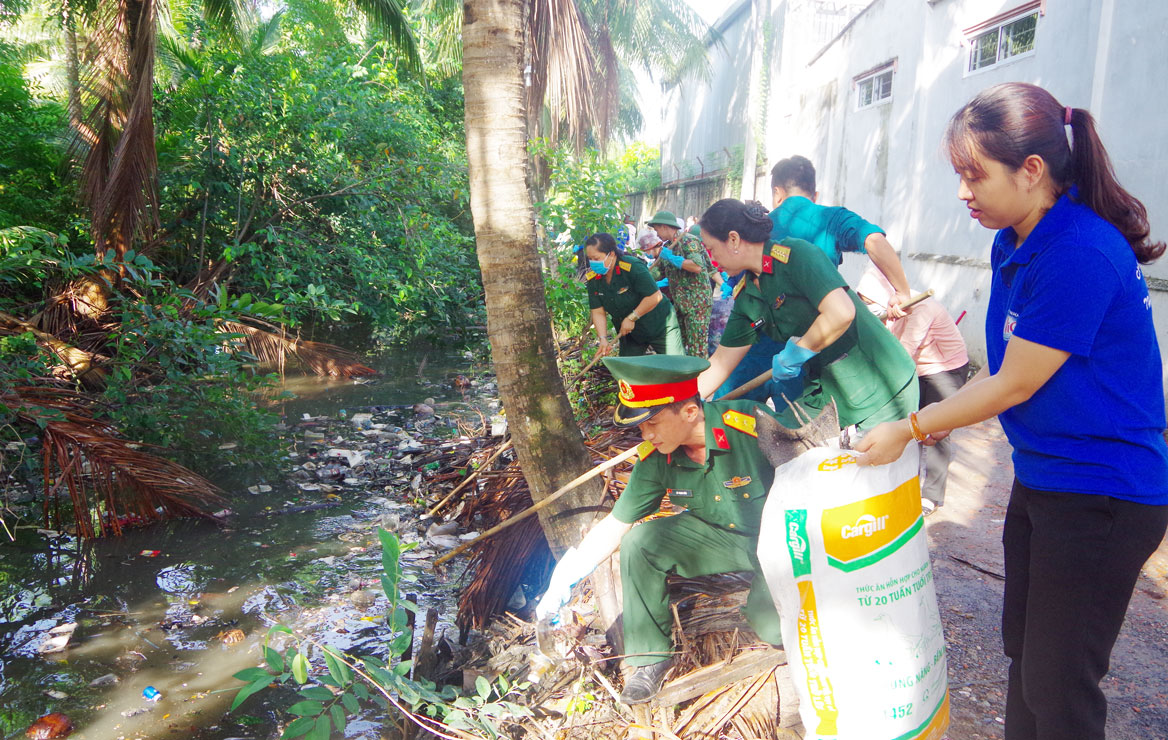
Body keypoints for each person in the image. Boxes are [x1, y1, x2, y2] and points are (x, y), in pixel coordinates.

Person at [855, 82, 1168, 740]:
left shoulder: (1077, 251)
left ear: (1032, 171)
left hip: (1103, 494)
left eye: (975, 175)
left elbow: (1012, 385)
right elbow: (1002, 372)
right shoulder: (1015, 238)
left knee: (1061, 688)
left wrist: (909, 430)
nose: (964, 192)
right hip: (1046, 479)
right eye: (959, 175)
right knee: (1027, 663)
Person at [535, 354, 784, 704]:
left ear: (689, 412)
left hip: (784, 541)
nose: (646, 435)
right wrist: (567, 575)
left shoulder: (748, 425)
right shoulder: (657, 457)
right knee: (640, 541)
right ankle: (649, 660)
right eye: (640, 427)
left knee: (773, 628)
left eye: (652, 422)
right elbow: (616, 525)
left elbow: (812, 467)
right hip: (720, 539)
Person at [695, 198, 918, 430]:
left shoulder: (796, 256)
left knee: (870, 462)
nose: (712, 260)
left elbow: (841, 312)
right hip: (832, 391)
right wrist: (682, 400)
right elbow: (721, 362)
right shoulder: (748, 294)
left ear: (733, 239)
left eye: (711, 249)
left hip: (880, 387)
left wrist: (798, 351)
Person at [715, 155, 915, 401]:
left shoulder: (758, 229)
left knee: (738, 423)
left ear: (777, 193)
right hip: (808, 349)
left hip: (755, 345)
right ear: (815, 194)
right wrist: (901, 291)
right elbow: (873, 240)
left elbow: (738, 288)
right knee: (795, 429)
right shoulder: (830, 218)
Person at [855, 267, 969, 513]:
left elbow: (900, 355)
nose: (869, 308)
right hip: (917, 369)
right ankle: (907, 486)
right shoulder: (889, 311)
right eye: (864, 303)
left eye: (870, 302)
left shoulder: (919, 308)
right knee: (911, 428)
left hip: (944, 369)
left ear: (884, 294)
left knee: (937, 428)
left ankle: (931, 496)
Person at [582, 232, 682, 357]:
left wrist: (632, 317)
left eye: (596, 259)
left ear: (611, 254)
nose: (593, 263)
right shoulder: (594, 279)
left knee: (677, 366)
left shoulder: (632, 267)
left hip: (659, 325)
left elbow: (655, 296)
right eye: (590, 259)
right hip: (629, 333)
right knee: (628, 370)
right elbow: (597, 311)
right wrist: (602, 338)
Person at [647, 210, 715, 357]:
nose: (656, 233)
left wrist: (674, 259)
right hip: (681, 304)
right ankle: (682, 376)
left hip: (697, 304)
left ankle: (701, 379)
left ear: (665, 227)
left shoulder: (688, 241)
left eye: (657, 229)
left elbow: (697, 266)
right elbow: (658, 273)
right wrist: (641, 276)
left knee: (697, 347)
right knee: (677, 345)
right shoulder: (668, 247)